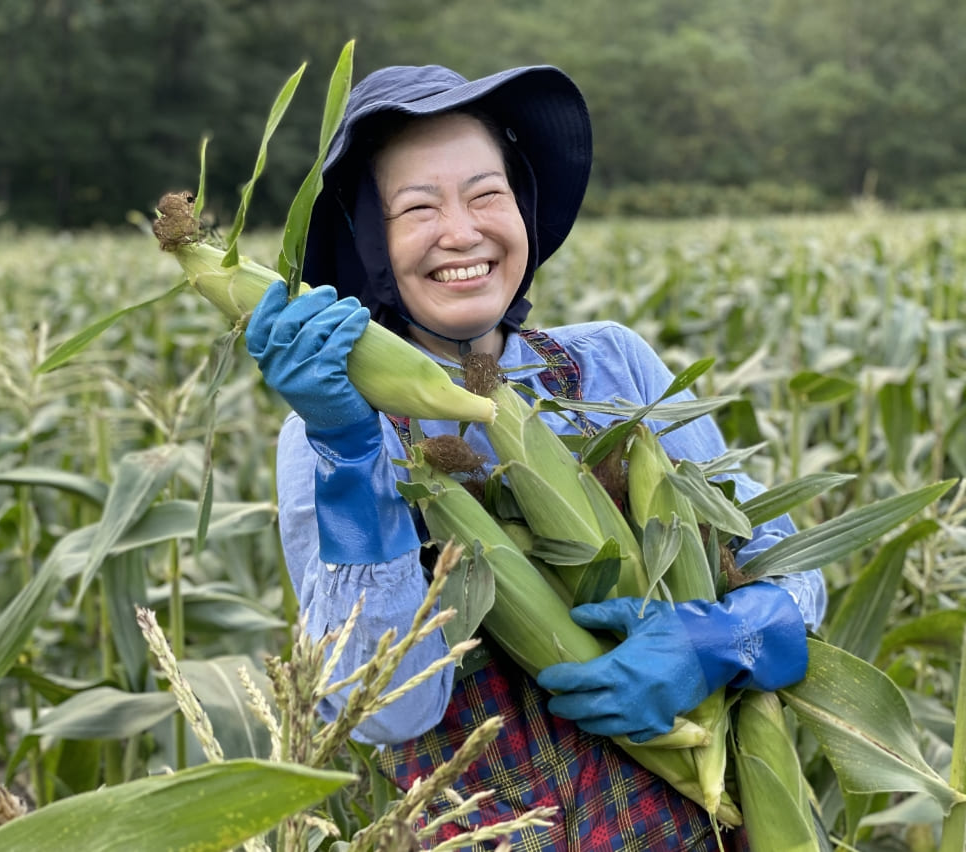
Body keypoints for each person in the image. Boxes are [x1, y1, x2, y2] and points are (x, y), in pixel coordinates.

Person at [244, 64, 827, 851]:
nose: (462, 232)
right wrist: (347, 453)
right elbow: (383, 708)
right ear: (367, 241)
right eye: (418, 208)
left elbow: (793, 571)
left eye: (487, 194)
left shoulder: (612, 369)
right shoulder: (343, 435)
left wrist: (724, 639)